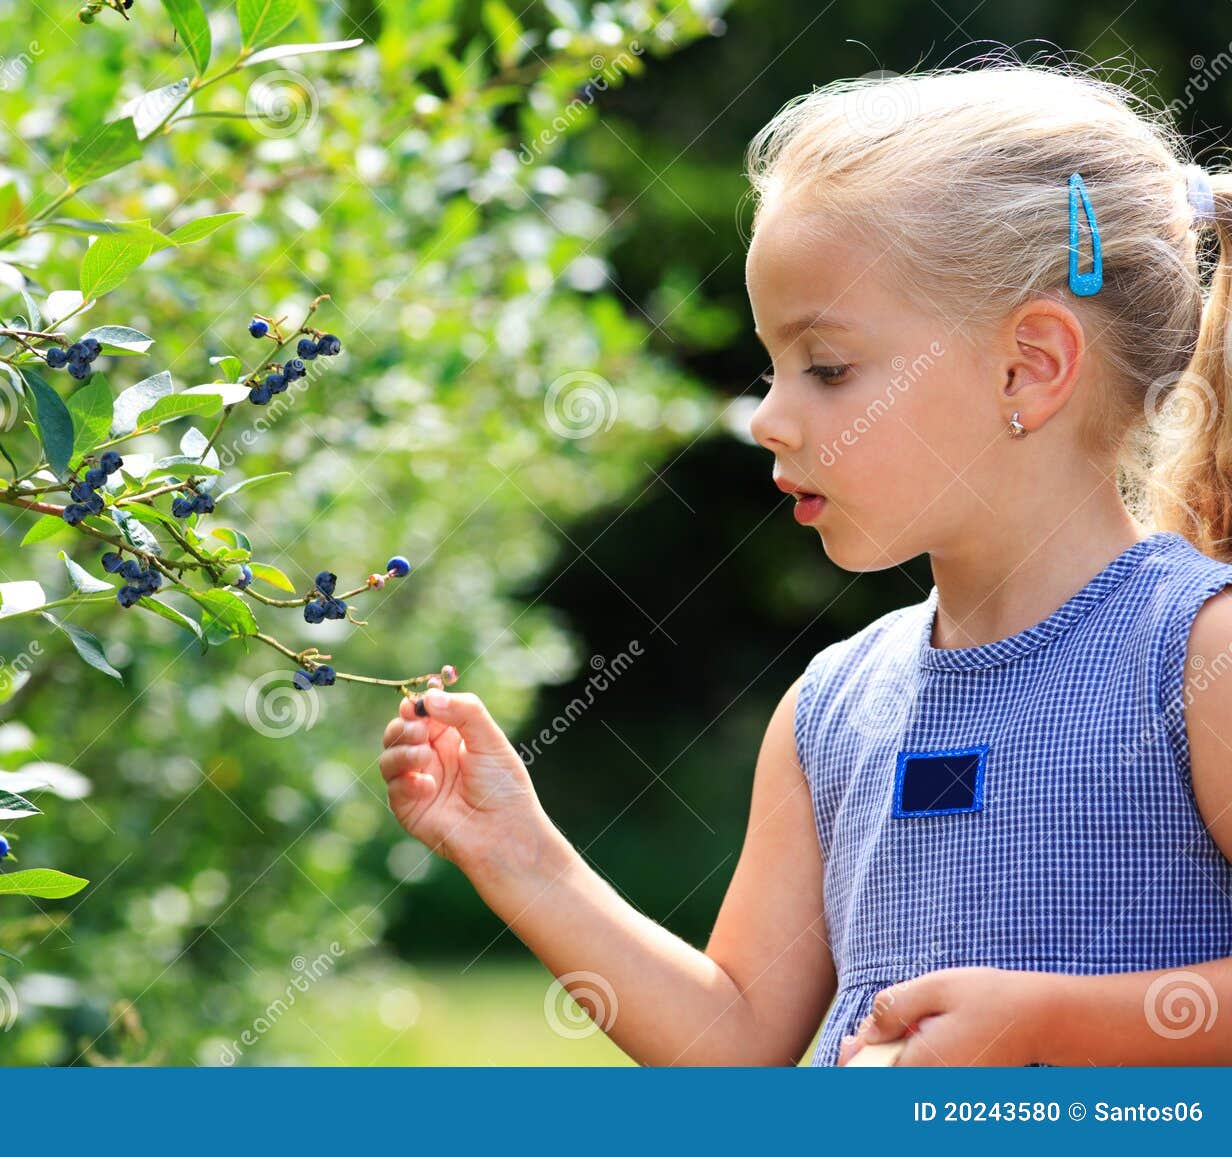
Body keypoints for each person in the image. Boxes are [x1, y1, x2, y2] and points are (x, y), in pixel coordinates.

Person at [379, 57, 1232, 1067]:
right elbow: (735, 1042)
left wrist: (1041, 1022)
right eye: (772, 367)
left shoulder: (1192, 655)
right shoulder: (830, 707)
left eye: (826, 367)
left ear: (1028, 365)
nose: (771, 416)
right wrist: (516, 853)